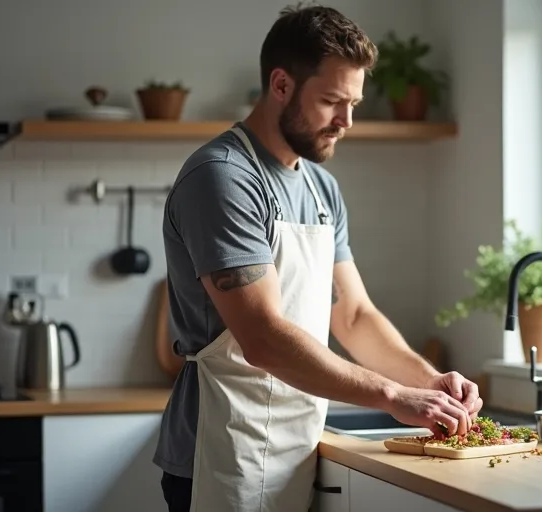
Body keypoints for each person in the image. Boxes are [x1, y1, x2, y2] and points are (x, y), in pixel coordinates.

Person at [153, 3, 483, 511]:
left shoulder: (321, 188)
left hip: (297, 448)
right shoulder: (223, 178)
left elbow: (353, 315)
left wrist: (427, 381)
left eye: (353, 103)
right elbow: (263, 339)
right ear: (281, 85)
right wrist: (393, 396)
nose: (346, 121)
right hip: (219, 451)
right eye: (332, 101)